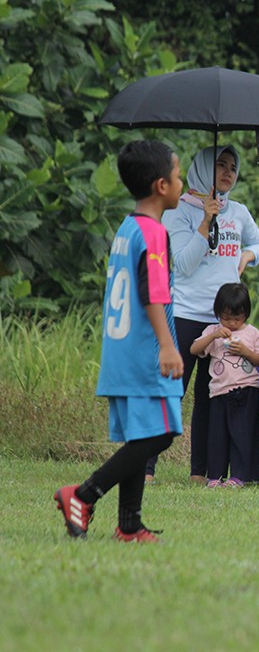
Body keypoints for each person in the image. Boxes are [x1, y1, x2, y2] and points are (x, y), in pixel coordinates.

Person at [54, 140, 184, 543]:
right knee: (160, 435)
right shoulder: (154, 234)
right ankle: (83, 493)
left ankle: (129, 524)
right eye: (179, 176)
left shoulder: (128, 228)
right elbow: (153, 293)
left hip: (121, 352)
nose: (183, 183)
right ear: (162, 185)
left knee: (141, 436)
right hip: (145, 353)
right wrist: (166, 345)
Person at [146, 144, 259, 484]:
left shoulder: (239, 212)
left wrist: (247, 257)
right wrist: (206, 221)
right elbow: (183, 264)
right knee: (171, 392)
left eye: (233, 166)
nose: (228, 172)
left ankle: (200, 472)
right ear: (201, 167)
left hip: (224, 319)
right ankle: (146, 467)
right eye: (220, 165)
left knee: (208, 398)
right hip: (187, 314)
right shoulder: (178, 213)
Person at [189, 283, 259, 487]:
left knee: (242, 434)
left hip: (245, 390)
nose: (231, 323)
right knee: (217, 435)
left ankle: (240, 476)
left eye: (237, 318)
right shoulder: (213, 331)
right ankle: (215, 475)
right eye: (226, 318)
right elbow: (194, 349)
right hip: (218, 391)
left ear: (246, 315)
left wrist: (245, 352)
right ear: (217, 314)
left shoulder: (252, 333)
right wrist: (214, 335)